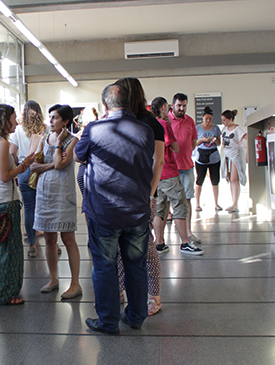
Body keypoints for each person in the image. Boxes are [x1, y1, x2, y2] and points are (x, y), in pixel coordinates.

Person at [76, 83, 155, 334]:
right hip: (137, 212)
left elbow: (79, 155)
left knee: (105, 267)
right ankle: (136, 317)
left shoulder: (95, 129)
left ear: (105, 106)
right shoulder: (146, 130)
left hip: (104, 212)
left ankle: (108, 321)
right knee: (136, 265)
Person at [114, 77, 165, 316]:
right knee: (121, 245)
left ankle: (154, 295)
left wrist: (151, 192)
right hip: (123, 194)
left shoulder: (150, 123)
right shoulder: (126, 120)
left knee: (146, 246)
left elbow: (159, 161)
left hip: (143, 195)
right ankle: (123, 290)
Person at [0, 104, 36, 305]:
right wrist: (25, 165)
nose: (16, 122)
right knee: (10, 251)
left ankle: (5, 291)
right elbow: (6, 176)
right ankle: (5, 294)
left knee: (6, 249)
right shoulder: (3, 144)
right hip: (6, 202)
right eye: (14, 118)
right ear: (4, 120)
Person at [31, 104, 82, 299]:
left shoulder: (72, 140)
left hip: (63, 195)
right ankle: (53, 278)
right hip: (44, 194)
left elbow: (61, 164)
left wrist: (59, 143)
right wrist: (51, 164)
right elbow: (34, 166)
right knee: (50, 239)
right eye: (50, 117)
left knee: (68, 239)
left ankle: (75, 283)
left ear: (66, 121)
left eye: (55, 118)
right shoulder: (44, 137)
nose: (50, 121)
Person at [152, 96, 204, 256]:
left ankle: (159, 243)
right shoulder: (165, 124)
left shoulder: (149, 125)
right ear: (164, 107)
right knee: (180, 206)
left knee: (159, 209)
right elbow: (174, 147)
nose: (181, 108)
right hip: (169, 172)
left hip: (157, 175)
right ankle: (185, 243)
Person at [8, 101, 46, 257]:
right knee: (45, 208)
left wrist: (18, 163)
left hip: (25, 170)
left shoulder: (17, 130)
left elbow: (12, 152)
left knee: (29, 208)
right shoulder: (46, 128)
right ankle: (53, 242)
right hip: (42, 171)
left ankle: (32, 245)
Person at [168, 93, 200, 243]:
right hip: (170, 169)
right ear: (172, 105)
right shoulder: (165, 121)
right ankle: (161, 239)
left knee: (187, 200)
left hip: (187, 167)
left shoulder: (190, 121)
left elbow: (193, 142)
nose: (182, 108)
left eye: (184, 105)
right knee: (167, 201)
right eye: (179, 105)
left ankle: (188, 232)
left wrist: (186, 154)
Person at [194, 106, 222, 211]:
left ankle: (216, 203)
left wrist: (214, 140)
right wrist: (202, 140)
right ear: (202, 117)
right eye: (206, 119)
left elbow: (219, 143)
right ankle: (197, 204)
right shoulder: (197, 128)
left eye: (210, 119)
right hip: (201, 157)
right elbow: (194, 143)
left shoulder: (216, 128)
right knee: (199, 180)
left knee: (215, 180)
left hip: (214, 157)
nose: (208, 121)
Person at [219, 109, 247, 213]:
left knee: (235, 179)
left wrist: (247, 154)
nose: (223, 122)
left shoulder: (238, 129)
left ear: (231, 119)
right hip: (227, 154)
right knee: (230, 179)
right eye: (222, 120)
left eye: (225, 120)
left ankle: (236, 203)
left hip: (236, 154)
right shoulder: (224, 129)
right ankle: (233, 202)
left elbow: (247, 137)